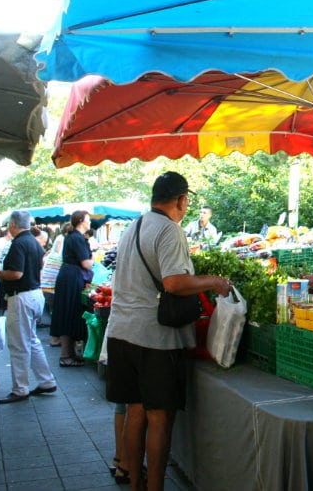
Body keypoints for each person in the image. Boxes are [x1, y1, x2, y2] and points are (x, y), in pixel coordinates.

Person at [105, 172, 232, 491]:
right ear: (180, 200)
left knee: (136, 411)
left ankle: (136, 485)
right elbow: (174, 282)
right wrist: (214, 281)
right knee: (159, 418)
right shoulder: (169, 230)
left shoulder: (132, 227)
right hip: (154, 338)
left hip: (121, 332)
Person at [0, 210, 57, 403]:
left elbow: (16, 274)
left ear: (12, 225)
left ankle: (20, 389)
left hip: (21, 297)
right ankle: (46, 381)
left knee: (19, 345)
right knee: (32, 340)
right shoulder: (34, 243)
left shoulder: (18, 243)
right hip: (35, 294)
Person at [50, 210, 93, 367]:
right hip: (72, 278)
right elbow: (86, 263)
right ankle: (66, 355)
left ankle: (70, 354)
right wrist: (93, 258)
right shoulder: (77, 238)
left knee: (68, 313)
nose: (90, 222)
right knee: (69, 313)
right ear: (81, 221)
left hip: (67, 276)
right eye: (88, 219)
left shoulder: (70, 237)